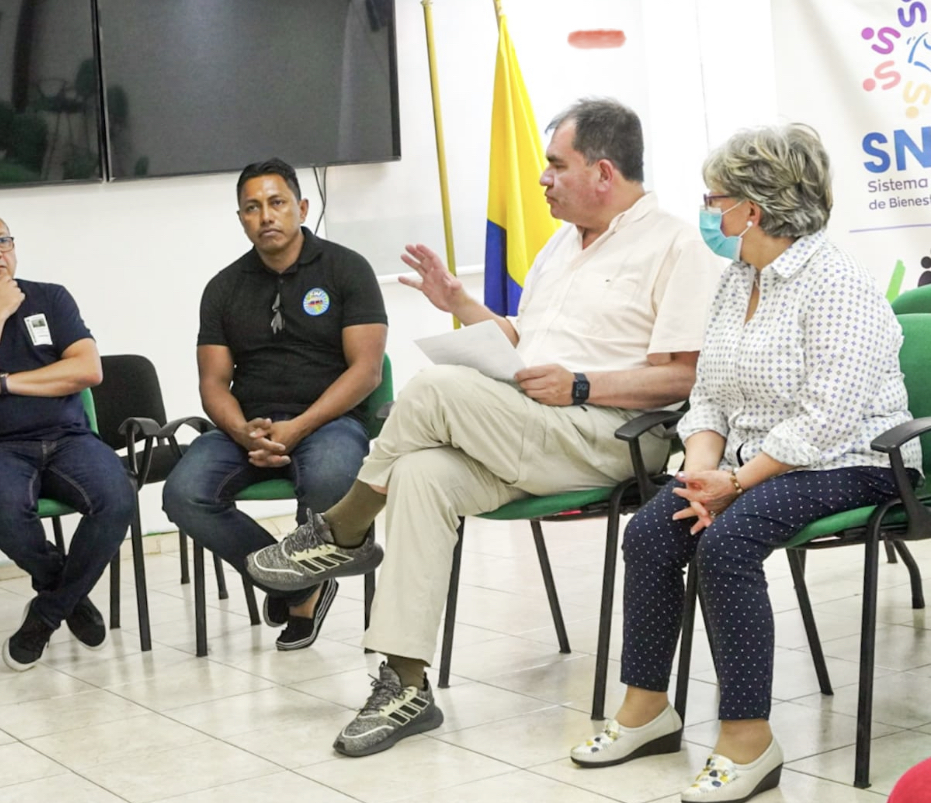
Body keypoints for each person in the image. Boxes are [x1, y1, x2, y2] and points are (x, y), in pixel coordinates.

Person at [246, 98, 721, 756]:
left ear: (604, 172)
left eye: (557, 165)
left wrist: (583, 384)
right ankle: (406, 684)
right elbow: (528, 340)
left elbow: (685, 377)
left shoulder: (677, 244)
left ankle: (343, 527)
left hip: (610, 435)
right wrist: (460, 304)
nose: (543, 180)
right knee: (418, 473)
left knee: (437, 389)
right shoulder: (562, 243)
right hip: (532, 422)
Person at [569, 124, 921, 802]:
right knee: (650, 529)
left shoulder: (837, 282)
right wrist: (700, 470)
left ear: (752, 208)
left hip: (854, 462)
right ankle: (648, 707)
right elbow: (709, 394)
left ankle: (748, 739)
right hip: (750, 465)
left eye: (714, 198)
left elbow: (825, 420)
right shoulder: (739, 279)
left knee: (725, 546)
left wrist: (735, 481)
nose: (708, 212)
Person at [162, 158, 388, 651]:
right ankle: (296, 580)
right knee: (182, 494)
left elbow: (367, 370)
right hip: (248, 426)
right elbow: (213, 382)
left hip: (328, 422)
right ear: (241, 218)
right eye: (252, 208)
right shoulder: (223, 288)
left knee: (330, 479)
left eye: (277, 203)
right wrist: (244, 432)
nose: (266, 216)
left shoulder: (347, 269)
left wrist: (301, 426)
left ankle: (295, 582)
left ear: (302, 208)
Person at [0, 210, 135, 671]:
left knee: (117, 496)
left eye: (2, 240)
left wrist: (0, 383)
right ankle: (68, 595)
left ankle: (47, 611)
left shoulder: (51, 298)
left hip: (68, 437)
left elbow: (87, 370)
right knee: (3, 510)